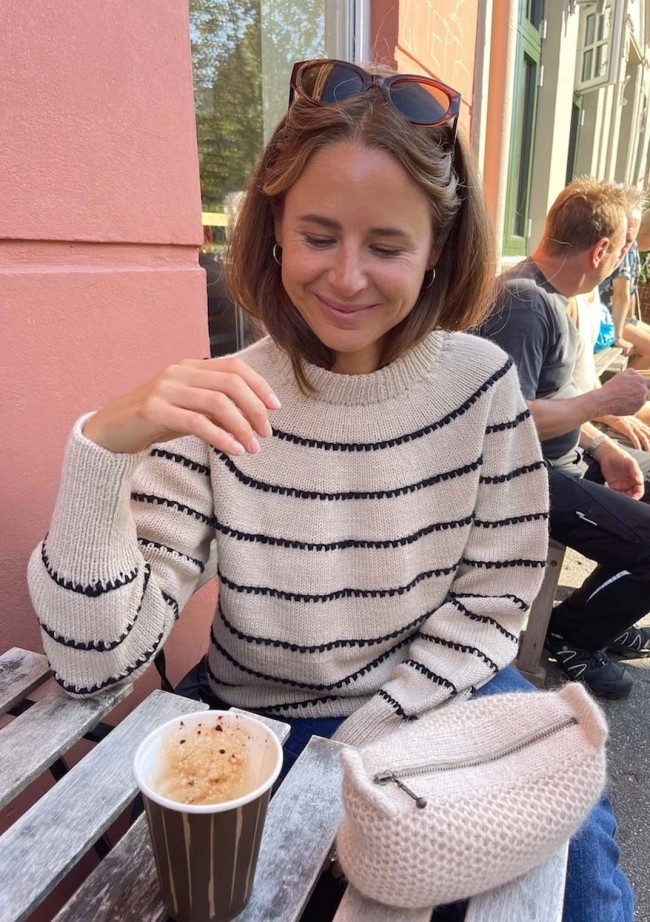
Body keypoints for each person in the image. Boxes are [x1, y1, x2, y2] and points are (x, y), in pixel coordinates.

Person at [28, 61, 633, 921]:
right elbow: (93, 666)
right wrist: (102, 448)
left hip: (442, 694)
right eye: (318, 235)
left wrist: (366, 739)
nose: (347, 277)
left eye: (386, 246)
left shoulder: (482, 384)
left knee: (582, 857)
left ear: (437, 250)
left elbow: (495, 595)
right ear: (275, 229)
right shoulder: (222, 399)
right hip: (259, 720)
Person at [479, 177, 650, 703]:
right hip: (522, 478)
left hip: (563, 459)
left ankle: (600, 615)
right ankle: (571, 634)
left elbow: (556, 395)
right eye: (620, 252)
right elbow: (504, 420)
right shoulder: (524, 303)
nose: (618, 263)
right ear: (600, 250)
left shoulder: (549, 295)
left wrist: (603, 446)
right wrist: (603, 402)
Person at [598, 199, 650, 370]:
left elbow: (630, 295)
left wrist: (632, 319)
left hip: (618, 316)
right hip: (606, 318)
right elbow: (621, 295)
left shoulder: (633, 248)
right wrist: (618, 336)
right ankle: (622, 384)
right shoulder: (626, 249)